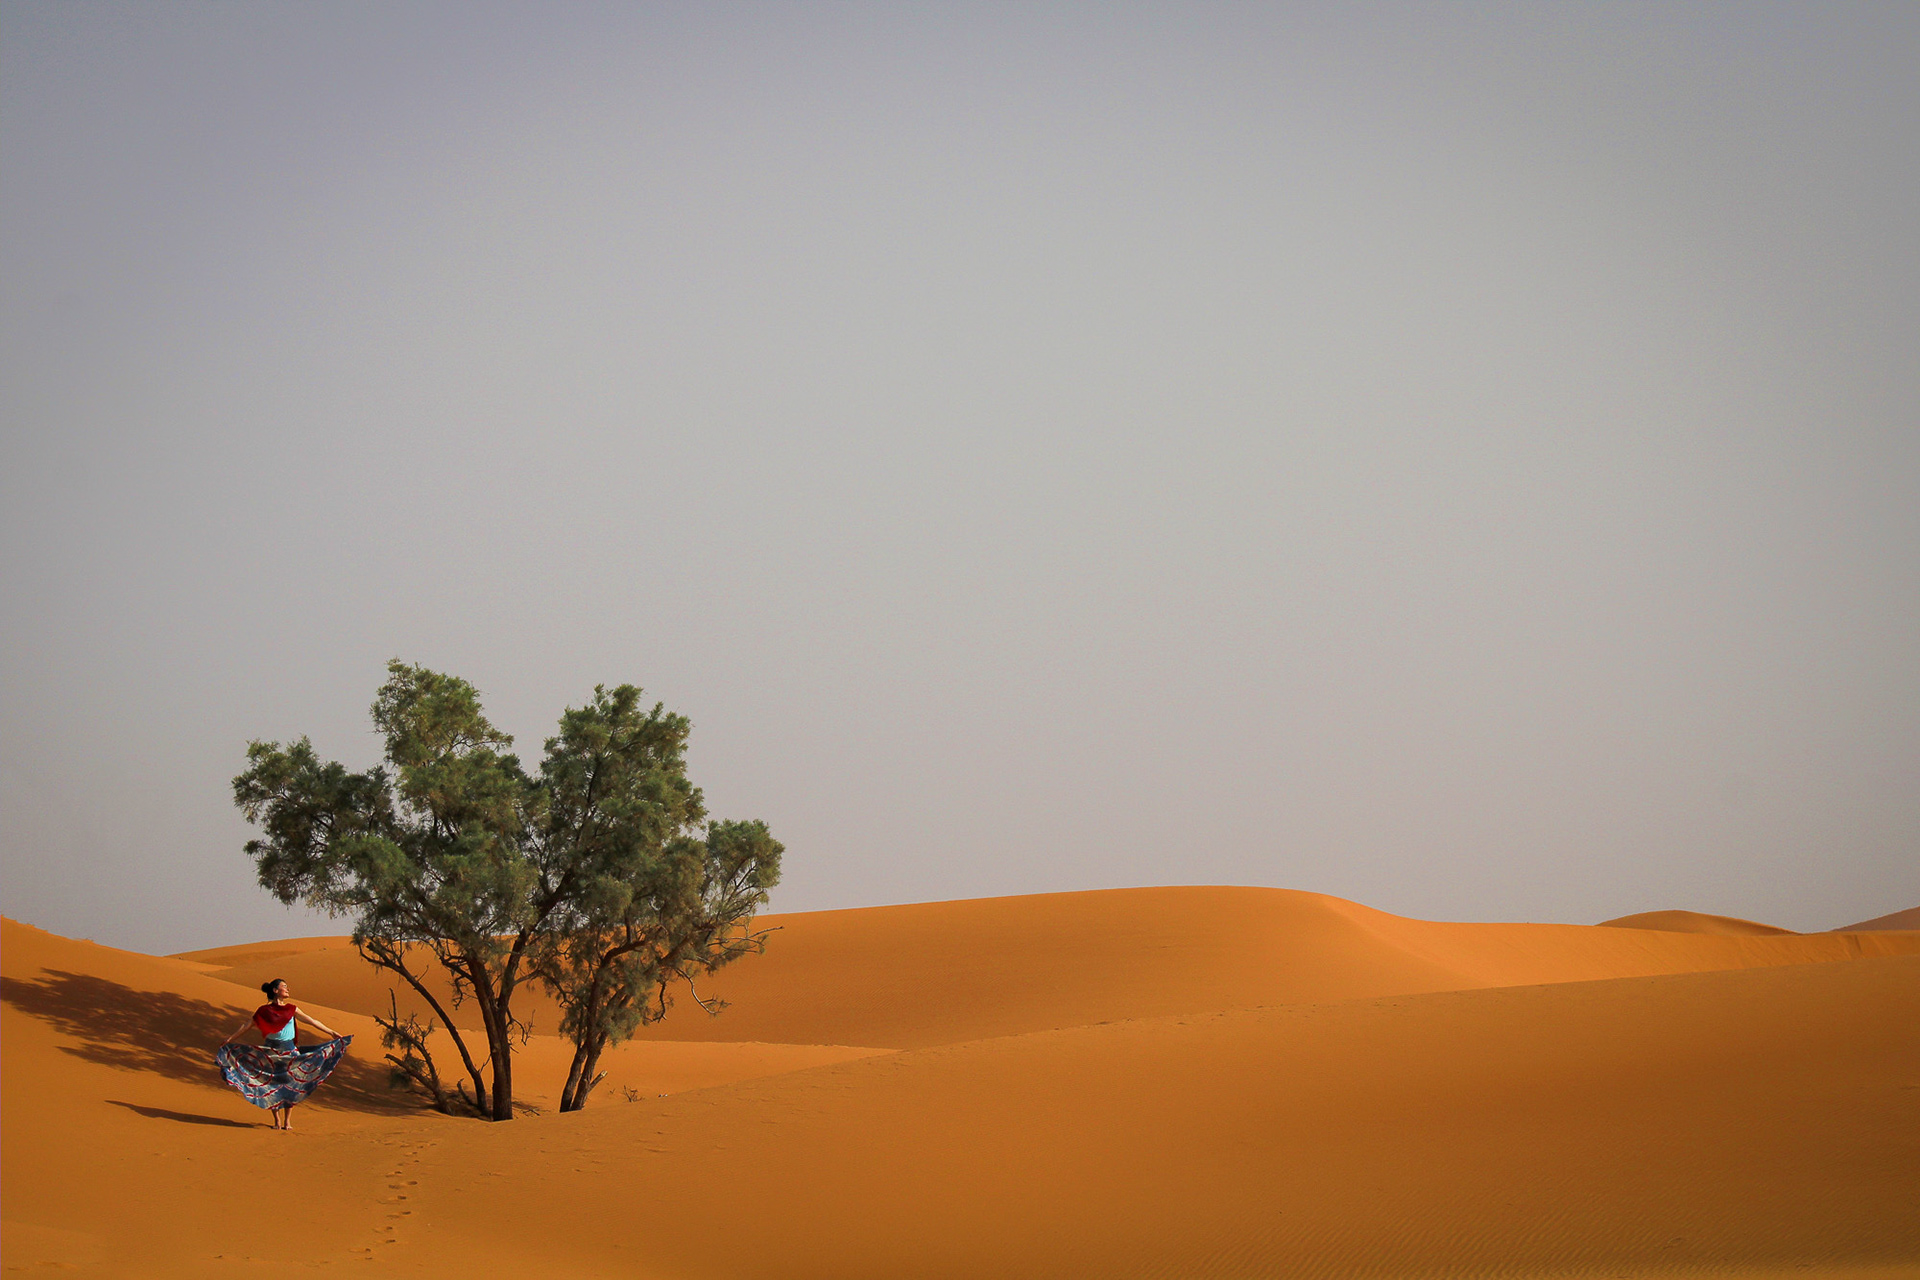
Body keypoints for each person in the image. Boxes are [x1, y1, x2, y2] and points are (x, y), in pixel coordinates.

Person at [217, 979, 350, 1130]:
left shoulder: (291, 1009)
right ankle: (277, 1121)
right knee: (271, 1084)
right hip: (270, 1053)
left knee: (291, 1084)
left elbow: (311, 1021)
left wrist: (331, 1032)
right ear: (275, 990)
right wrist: (230, 1038)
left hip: (290, 1051)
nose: (287, 989)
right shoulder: (263, 1011)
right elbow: (247, 1025)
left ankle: (287, 1121)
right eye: (284, 986)